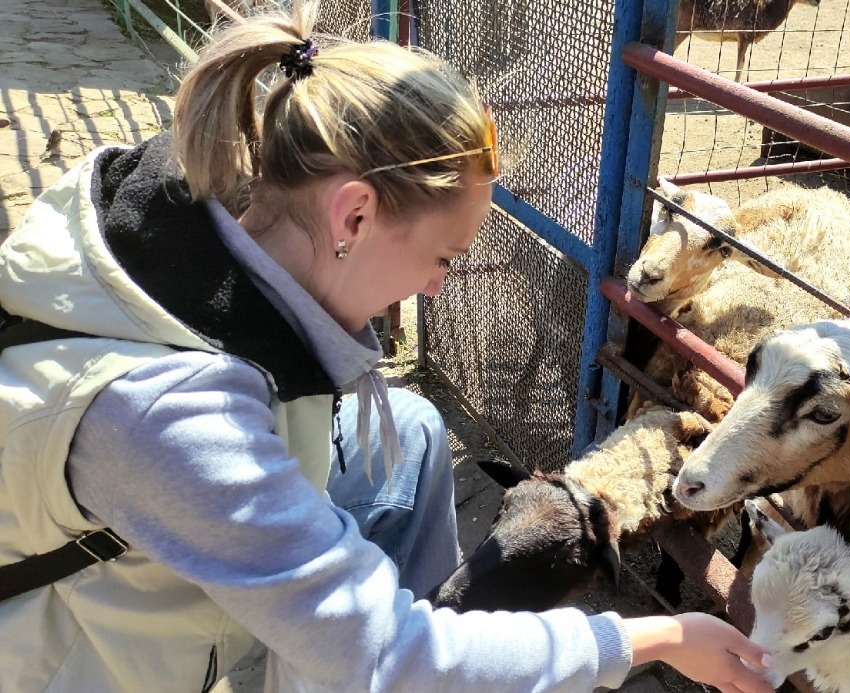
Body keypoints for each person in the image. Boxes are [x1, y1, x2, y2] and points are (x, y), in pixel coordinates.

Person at [0, 2, 774, 692]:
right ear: (355, 216)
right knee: (386, 654)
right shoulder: (173, 417)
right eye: (442, 258)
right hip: (70, 664)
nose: (437, 289)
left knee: (407, 431)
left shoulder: (204, 208)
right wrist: (657, 637)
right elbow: (385, 654)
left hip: (148, 546)